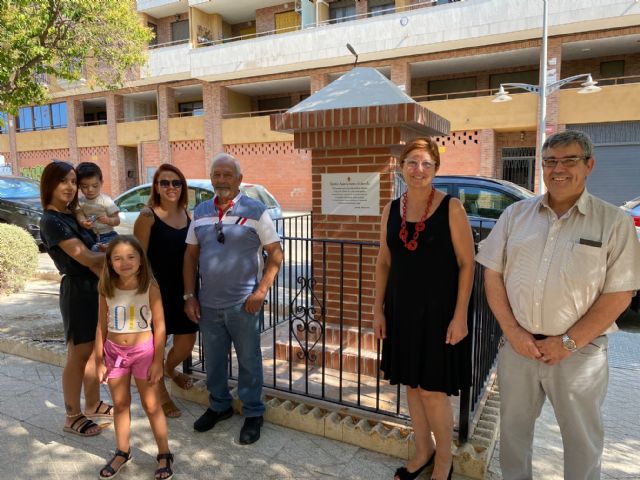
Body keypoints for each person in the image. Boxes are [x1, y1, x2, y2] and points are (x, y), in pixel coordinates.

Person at [476, 130, 640, 480]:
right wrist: (513, 332)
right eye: (550, 161)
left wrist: (567, 343)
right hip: (518, 349)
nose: (558, 169)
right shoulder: (515, 215)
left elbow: (620, 294)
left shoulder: (613, 222)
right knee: (513, 436)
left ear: (589, 165)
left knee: (582, 442)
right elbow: (493, 274)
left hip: (579, 354)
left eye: (569, 160)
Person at [373, 138, 475, 480]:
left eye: (427, 164)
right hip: (401, 311)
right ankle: (423, 451)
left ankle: (444, 460)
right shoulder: (390, 210)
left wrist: (460, 316)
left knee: (432, 389)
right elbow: (384, 262)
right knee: (412, 387)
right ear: (401, 167)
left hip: (439, 314)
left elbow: (467, 264)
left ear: (435, 169)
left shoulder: (452, 208)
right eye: (412, 162)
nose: (419, 170)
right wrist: (377, 309)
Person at [184, 153, 283, 445]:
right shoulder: (201, 211)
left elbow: (276, 254)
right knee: (214, 361)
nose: (222, 180)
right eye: (217, 174)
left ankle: (253, 412)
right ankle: (219, 406)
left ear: (239, 179)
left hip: (244, 304)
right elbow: (190, 256)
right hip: (208, 303)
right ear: (211, 178)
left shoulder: (256, 210)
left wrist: (261, 291)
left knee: (249, 361)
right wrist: (189, 296)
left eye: (228, 175)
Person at [39, 160, 113, 437]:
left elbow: (93, 248)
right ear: (50, 184)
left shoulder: (71, 214)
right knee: (78, 355)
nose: (70, 187)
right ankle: (72, 416)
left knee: (94, 351)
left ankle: (93, 403)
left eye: (73, 181)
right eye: (63, 181)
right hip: (78, 292)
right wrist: (121, 253)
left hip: (95, 287)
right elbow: (87, 258)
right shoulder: (51, 220)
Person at [94, 236, 174, 480]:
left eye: (131, 257)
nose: (125, 262)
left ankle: (164, 453)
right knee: (120, 404)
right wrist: (98, 360)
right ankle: (122, 451)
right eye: (117, 258)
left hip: (144, 354)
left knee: (151, 405)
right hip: (114, 354)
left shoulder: (149, 287)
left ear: (141, 260)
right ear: (110, 262)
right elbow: (101, 326)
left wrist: (158, 361)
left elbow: (160, 326)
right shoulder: (106, 287)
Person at [134, 163, 197, 418]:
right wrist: (150, 288)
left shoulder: (188, 215)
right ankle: (161, 393)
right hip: (156, 289)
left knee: (186, 341)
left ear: (182, 187)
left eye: (176, 183)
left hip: (185, 288)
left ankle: (170, 369)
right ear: (157, 187)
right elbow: (139, 257)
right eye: (165, 183)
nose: (171, 187)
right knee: (156, 344)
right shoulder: (148, 216)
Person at [75, 162, 120, 249]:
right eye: (85, 186)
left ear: (101, 183)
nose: (90, 189)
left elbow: (117, 220)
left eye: (95, 186)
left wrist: (108, 220)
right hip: (89, 235)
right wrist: (83, 222)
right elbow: (79, 214)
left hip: (108, 235)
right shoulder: (80, 201)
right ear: (79, 186)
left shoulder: (106, 200)